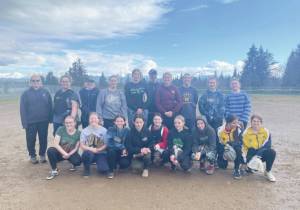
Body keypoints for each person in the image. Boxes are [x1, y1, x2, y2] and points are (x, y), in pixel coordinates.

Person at [20, 74, 52, 164]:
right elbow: (22, 109)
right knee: (30, 139)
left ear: (41, 82)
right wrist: (24, 123)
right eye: (33, 81)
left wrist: (50, 118)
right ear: (30, 82)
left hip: (43, 121)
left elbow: (50, 105)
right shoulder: (25, 94)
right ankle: (32, 156)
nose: (35, 82)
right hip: (31, 122)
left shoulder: (46, 92)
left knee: (43, 139)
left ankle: (42, 155)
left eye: (38, 81)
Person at [242, 114, 276, 182]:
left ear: (261, 123)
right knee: (251, 151)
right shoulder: (246, 133)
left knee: (271, 152)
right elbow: (244, 148)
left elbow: (267, 145)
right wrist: (244, 161)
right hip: (251, 154)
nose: (256, 123)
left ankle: (268, 172)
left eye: (258, 121)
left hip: (261, 154)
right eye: (254, 121)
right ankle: (249, 167)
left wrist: (258, 156)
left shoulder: (266, 131)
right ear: (251, 122)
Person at [46, 116, 81, 180]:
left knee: (78, 162)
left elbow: (76, 148)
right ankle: (54, 170)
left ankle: (73, 164)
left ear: (75, 123)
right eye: (66, 123)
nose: (68, 124)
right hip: (60, 152)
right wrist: (65, 154)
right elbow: (56, 144)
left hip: (71, 153)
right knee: (50, 150)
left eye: (70, 122)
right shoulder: (60, 129)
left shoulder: (79, 133)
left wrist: (69, 155)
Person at [80, 112, 109, 178]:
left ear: (98, 120)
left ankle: (100, 164)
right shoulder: (84, 131)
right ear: (88, 120)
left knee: (103, 170)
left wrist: (99, 149)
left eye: (95, 118)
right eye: (91, 118)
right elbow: (82, 145)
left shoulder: (104, 130)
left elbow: (106, 144)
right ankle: (87, 169)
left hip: (101, 153)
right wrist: (92, 149)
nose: (93, 120)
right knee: (86, 154)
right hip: (89, 152)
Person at [217, 114, 244, 179]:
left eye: (237, 122)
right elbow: (219, 143)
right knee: (222, 166)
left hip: (235, 147)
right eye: (234, 123)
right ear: (228, 123)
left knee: (238, 148)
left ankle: (236, 169)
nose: (236, 124)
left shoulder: (238, 129)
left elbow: (240, 142)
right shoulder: (220, 130)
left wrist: (230, 144)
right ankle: (221, 159)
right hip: (224, 148)